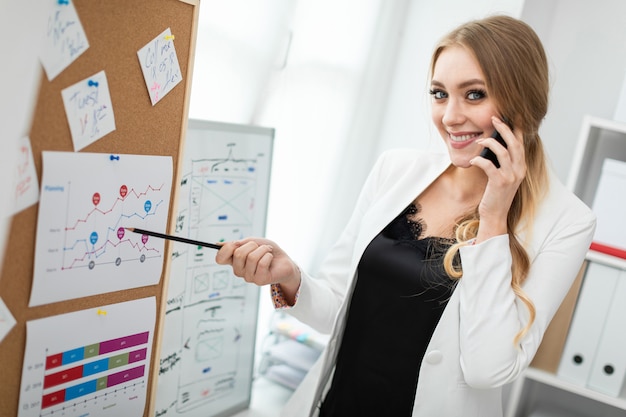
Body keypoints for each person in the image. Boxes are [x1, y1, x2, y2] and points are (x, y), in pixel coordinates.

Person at [216, 14, 596, 417]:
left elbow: (488, 369)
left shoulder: (567, 222)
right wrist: (289, 276)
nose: (449, 116)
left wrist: (495, 217)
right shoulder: (395, 170)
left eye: (473, 95)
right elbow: (335, 310)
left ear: (523, 101)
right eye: (438, 93)